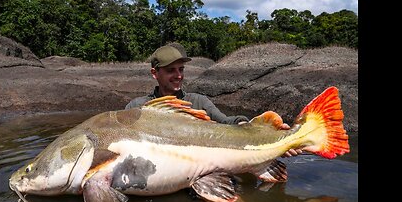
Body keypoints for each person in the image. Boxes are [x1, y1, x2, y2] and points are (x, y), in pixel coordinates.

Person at [125, 42, 302, 157]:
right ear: (155, 73)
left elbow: (225, 121)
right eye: (171, 70)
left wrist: (250, 127)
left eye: (181, 69)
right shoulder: (137, 107)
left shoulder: (199, 102)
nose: (178, 75)